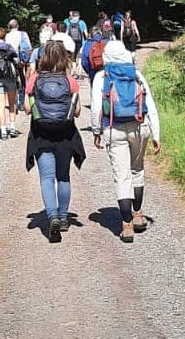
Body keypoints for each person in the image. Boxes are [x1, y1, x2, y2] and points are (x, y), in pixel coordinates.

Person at [90, 38, 161, 243]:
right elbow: (150, 104)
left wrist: (96, 132)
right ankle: (138, 215)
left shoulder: (102, 76)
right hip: (140, 126)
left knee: (122, 176)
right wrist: (156, 134)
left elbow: (96, 107)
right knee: (137, 170)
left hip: (114, 129)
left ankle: (127, 225)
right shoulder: (135, 74)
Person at [25, 40, 85, 242]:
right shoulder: (69, 80)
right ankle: (64, 216)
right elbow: (76, 111)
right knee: (64, 177)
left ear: (43, 57)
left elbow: (26, 109)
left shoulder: (35, 79)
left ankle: (52, 217)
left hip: (41, 134)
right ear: (64, 57)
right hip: (65, 134)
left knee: (47, 178)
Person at [5, 17, 33, 107]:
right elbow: (29, 47)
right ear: (18, 26)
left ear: (9, 26)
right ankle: (21, 102)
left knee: (13, 80)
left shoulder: (7, 36)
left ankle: (15, 102)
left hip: (11, 60)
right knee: (22, 79)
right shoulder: (23, 34)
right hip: (21, 60)